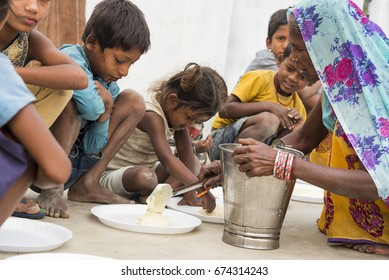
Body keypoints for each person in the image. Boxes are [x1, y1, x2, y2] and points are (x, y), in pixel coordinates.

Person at [201, 0, 389, 255]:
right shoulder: (340, 84)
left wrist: (284, 163)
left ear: (327, 43)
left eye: (300, 48)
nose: (292, 54)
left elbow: (382, 180)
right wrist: (235, 164)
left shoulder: (377, 88)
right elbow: (302, 139)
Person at [55, 0, 150, 208]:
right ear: (91, 43)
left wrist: (106, 112)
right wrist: (102, 106)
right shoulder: (70, 57)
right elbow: (88, 107)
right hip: (42, 162)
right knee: (72, 103)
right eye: (119, 60)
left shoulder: (109, 86)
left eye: (130, 64)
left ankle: (87, 183)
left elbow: (93, 146)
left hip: (74, 165)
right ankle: (52, 188)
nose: (124, 71)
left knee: (135, 102)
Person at [0, 0, 88, 218]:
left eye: (44, 1)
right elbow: (56, 168)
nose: (33, 7)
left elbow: (78, 77)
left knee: (61, 88)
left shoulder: (28, 39)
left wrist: (10, 73)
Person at [100, 62, 228, 212]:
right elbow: (167, 160)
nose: (191, 124)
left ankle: (152, 196)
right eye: (189, 117)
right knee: (146, 177)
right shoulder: (151, 116)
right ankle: (153, 195)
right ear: (173, 100)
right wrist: (199, 188)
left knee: (192, 162)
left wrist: (190, 192)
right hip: (115, 175)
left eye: (196, 121)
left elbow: (187, 154)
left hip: (146, 170)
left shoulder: (176, 117)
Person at [209, 44, 308, 162]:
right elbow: (224, 110)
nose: (293, 78)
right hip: (220, 143)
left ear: (310, 79)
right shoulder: (260, 78)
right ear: (279, 61)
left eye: (302, 76)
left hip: (255, 154)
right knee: (269, 121)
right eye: (290, 69)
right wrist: (268, 106)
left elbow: (290, 146)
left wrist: (297, 127)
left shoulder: (298, 107)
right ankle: (227, 166)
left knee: (293, 127)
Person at [245, 8, 321, 115]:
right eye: (280, 38)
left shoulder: (296, 65)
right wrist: (324, 76)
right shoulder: (266, 59)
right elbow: (304, 94)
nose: (286, 45)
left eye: (291, 42)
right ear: (268, 42)